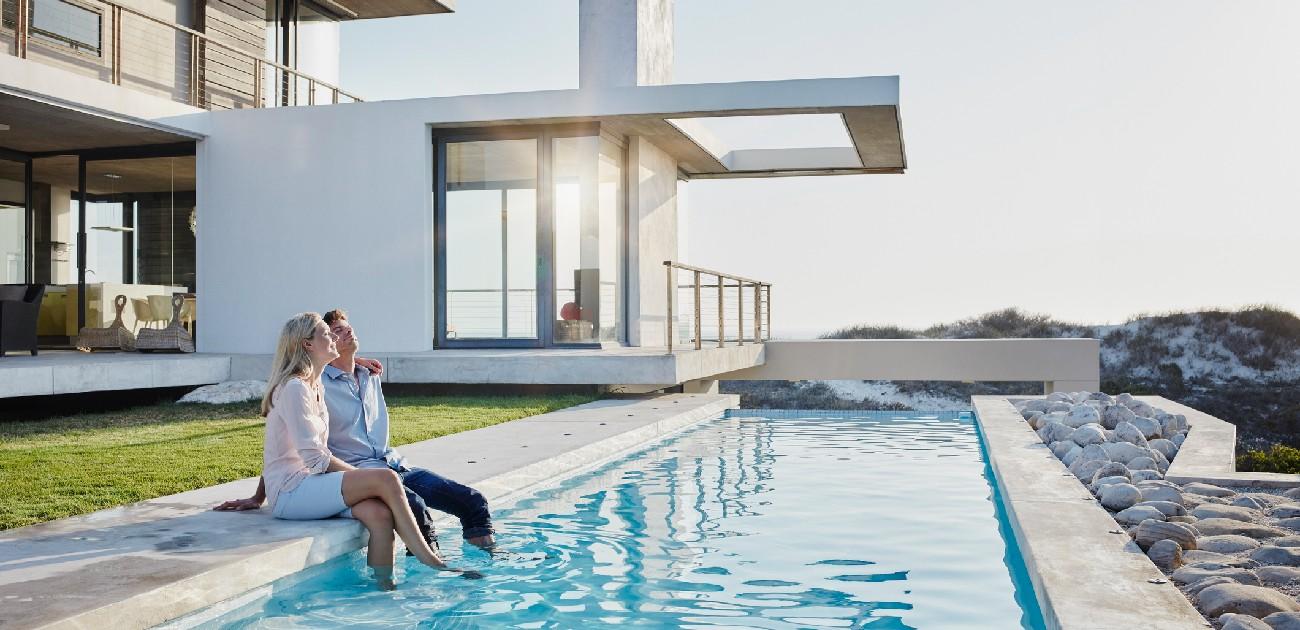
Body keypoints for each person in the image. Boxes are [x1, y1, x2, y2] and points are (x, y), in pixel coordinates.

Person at [217, 312, 465, 589]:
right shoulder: (295, 388)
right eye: (327, 333)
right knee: (386, 479)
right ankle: (431, 560)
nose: (335, 337)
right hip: (291, 491)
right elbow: (312, 457)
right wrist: (366, 479)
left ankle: (383, 591)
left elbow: (284, 446)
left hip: (310, 484)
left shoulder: (314, 384)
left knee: (379, 515)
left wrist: (354, 361)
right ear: (307, 344)